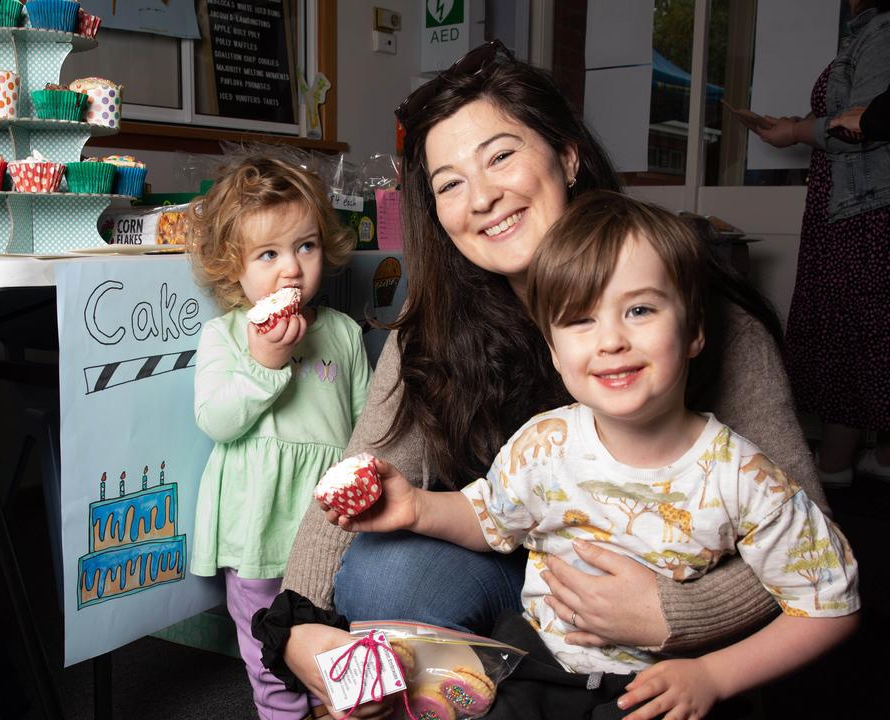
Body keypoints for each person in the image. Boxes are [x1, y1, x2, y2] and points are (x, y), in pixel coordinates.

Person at [256, 42, 829, 719]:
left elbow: (809, 537)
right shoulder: (440, 327)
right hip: (526, 586)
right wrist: (296, 626)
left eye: (500, 155)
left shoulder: (705, 321)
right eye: (449, 183)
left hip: (673, 601)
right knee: (391, 570)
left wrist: (675, 612)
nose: (483, 197)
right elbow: (365, 478)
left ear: (567, 155)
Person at [326, 191, 860, 720]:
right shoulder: (545, 444)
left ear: (694, 329)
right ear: (555, 351)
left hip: (659, 687)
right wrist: (416, 507)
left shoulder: (743, 477)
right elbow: (490, 518)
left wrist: (715, 676)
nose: (611, 340)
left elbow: (829, 607)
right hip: (542, 666)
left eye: (640, 309)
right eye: (581, 320)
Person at [187, 155, 370, 719]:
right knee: (269, 648)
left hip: (327, 524)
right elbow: (217, 420)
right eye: (268, 254)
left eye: (305, 247)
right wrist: (266, 361)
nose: (291, 268)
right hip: (256, 524)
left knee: (331, 629)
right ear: (232, 266)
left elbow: (368, 423)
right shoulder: (226, 335)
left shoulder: (342, 332)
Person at [750, 0, 890, 487]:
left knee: (851, 330)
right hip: (857, 205)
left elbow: (865, 126)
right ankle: (866, 460)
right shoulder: (867, 31)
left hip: (864, 211)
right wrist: (796, 126)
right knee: (862, 329)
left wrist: (794, 131)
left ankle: (833, 465)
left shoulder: (882, 31)